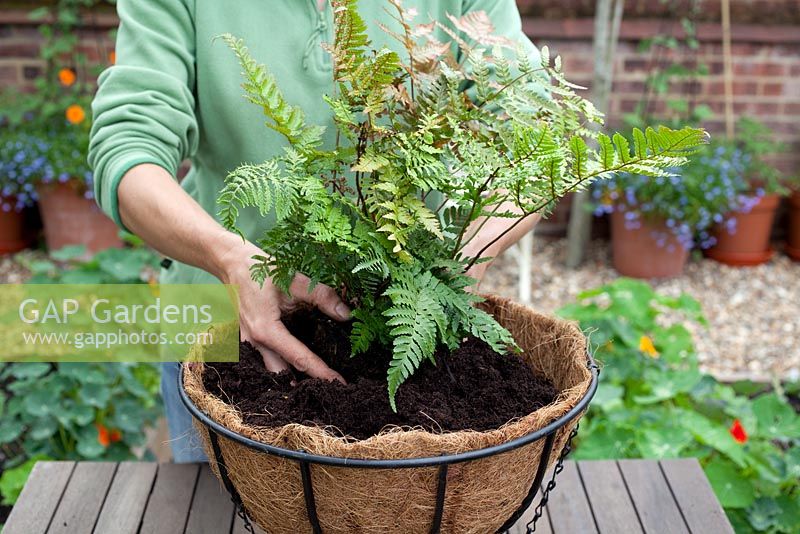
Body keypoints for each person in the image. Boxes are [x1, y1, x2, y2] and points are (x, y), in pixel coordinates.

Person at [89, 0, 542, 462]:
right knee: (208, 510)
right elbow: (128, 148)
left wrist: (463, 255)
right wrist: (227, 257)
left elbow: (537, 139)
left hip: (405, 320)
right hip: (220, 321)